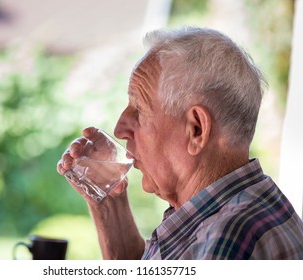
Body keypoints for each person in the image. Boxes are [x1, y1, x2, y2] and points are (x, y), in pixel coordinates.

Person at [57, 26, 303, 259]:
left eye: (139, 110)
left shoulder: (227, 240)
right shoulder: (241, 206)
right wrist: (107, 198)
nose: (120, 129)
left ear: (196, 129)